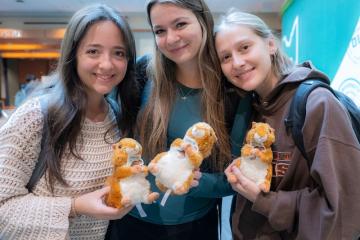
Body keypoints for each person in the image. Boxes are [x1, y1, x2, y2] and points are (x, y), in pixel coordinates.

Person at [106, 1, 251, 240]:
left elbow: (234, 176)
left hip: (193, 226)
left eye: (180, 24)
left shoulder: (232, 91)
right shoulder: (144, 72)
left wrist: (195, 182)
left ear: (203, 21)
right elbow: (111, 131)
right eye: (160, 31)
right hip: (129, 217)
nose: (171, 38)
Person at [214, 9, 360, 239]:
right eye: (226, 57)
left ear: (270, 45)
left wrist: (265, 201)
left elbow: (345, 211)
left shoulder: (317, 104)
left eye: (244, 48)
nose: (237, 63)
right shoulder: (248, 110)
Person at [0, 4, 141, 239]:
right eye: (93, 51)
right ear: (72, 55)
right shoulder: (36, 116)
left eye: (118, 53)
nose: (107, 64)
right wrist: (75, 207)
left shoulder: (116, 115)